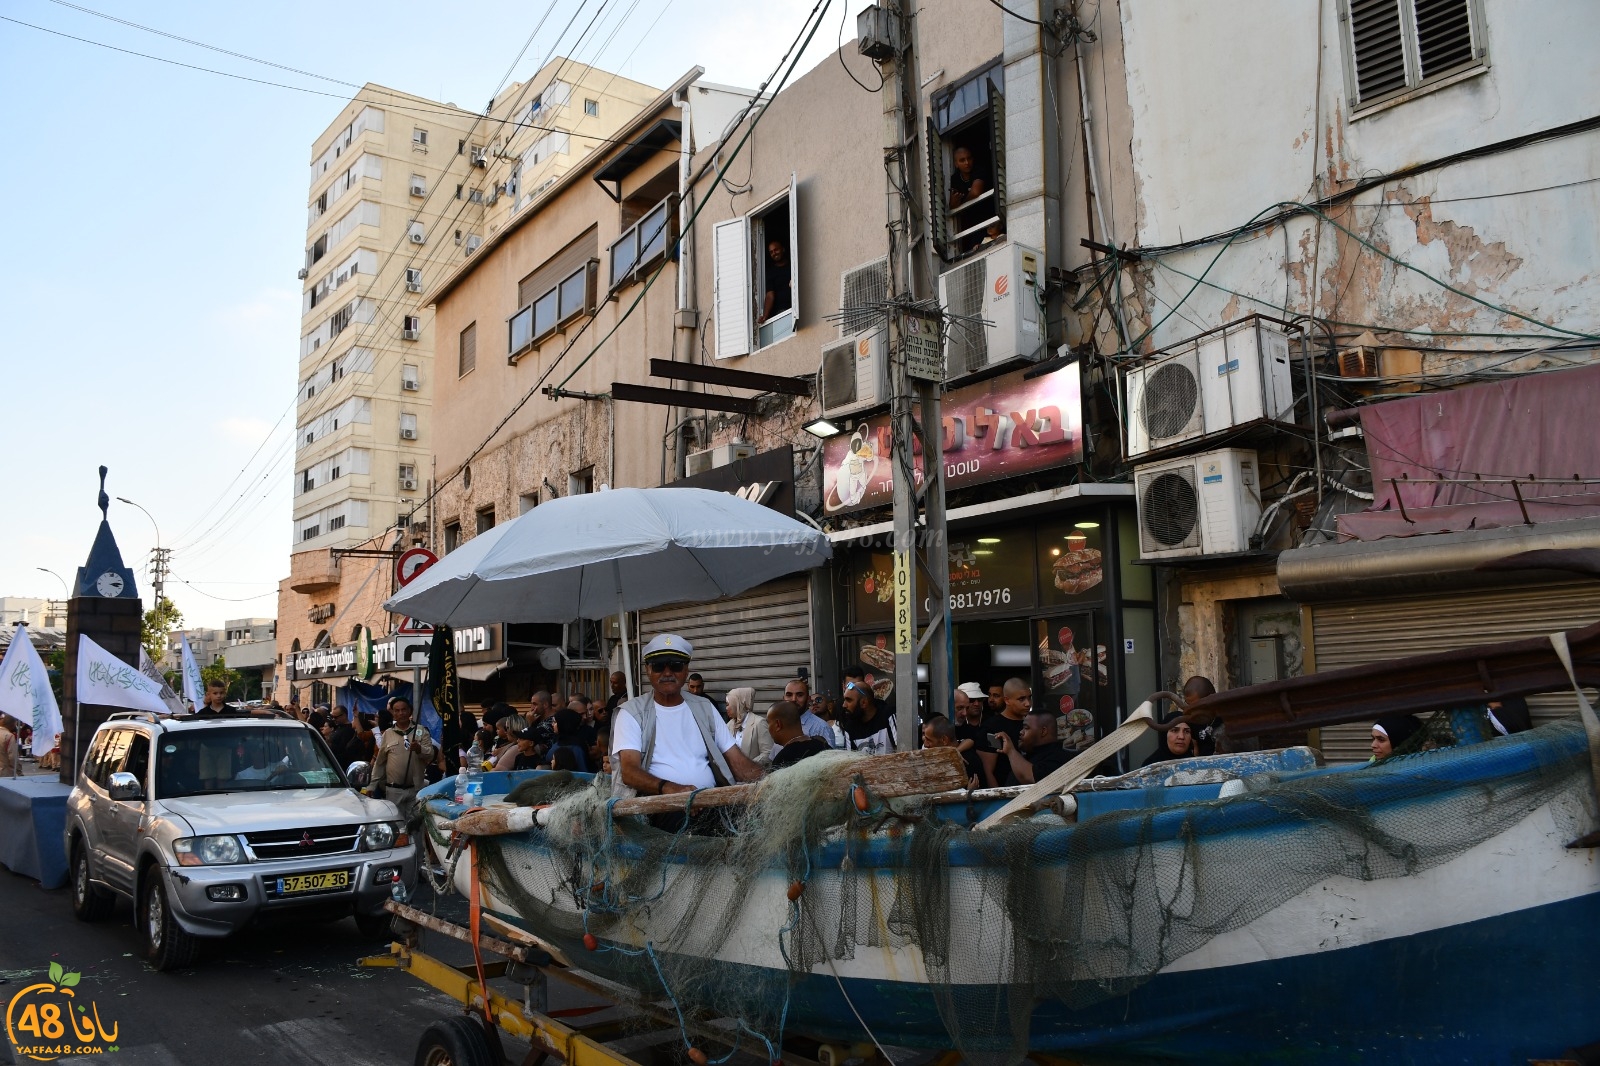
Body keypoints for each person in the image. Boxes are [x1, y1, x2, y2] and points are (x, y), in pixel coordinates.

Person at [610, 633, 762, 800]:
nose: (667, 673)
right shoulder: (631, 713)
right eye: (659, 666)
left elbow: (737, 763)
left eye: (676, 666)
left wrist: (772, 782)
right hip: (656, 806)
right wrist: (670, 789)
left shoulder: (704, 707)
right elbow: (630, 772)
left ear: (686, 669)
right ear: (648, 670)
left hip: (707, 802)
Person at [368, 698, 435, 815]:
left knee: (416, 826)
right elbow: (380, 763)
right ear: (393, 713)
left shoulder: (420, 731)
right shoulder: (388, 734)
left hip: (416, 789)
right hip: (393, 791)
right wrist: (371, 786)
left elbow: (431, 754)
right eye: (397, 710)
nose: (401, 713)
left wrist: (420, 749)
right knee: (397, 826)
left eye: (404, 710)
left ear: (410, 711)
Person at [995, 710, 1069, 785]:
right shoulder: (1029, 756)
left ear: (1043, 731)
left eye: (1026, 728)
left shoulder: (1058, 758)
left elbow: (1030, 778)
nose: (1021, 732)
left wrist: (1011, 751)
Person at [983, 678, 1032, 786]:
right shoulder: (992, 726)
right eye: (1021, 699)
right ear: (1007, 700)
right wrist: (997, 798)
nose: (1027, 703)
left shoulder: (1032, 723)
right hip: (1006, 791)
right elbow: (988, 771)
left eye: (1029, 697)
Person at [951, 682, 994, 787]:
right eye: (972, 700)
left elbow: (971, 739)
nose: (976, 704)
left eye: (979, 700)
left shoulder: (990, 723)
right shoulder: (946, 725)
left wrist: (955, 752)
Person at [841, 678, 897, 755]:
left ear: (864, 702)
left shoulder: (889, 715)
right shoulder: (850, 728)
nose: (844, 705)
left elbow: (904, 751)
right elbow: (850, 762)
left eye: (849, 700)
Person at [768, 701, 830, 769]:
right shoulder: (823, 746)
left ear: (778, 724)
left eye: (768, 723)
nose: (768, 728)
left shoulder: (782, 761)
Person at [921, 716, 978, 789]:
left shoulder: (966, 761)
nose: (925, 744)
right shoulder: (932, 757)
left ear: (944, 740)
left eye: (929, 740)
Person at [1180, 676, 1229, 755]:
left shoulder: (1227, 717)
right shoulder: (1191, 720)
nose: (1192, 710)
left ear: (1210, 699)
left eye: (1197, 705)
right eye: (1188, 704)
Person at [728, 687, 773, 767]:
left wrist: (748, 766)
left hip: (754, 776)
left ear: (737, 703)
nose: (726, 708)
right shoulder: (729, 725)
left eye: (728, 704)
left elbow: (768, 753)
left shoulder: (759, 723)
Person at [784, 678, 835, 747]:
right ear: (784, 698)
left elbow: (830, 756)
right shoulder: (780, 725)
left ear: (808, 699)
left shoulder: (821, 727)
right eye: (789, 695)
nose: (793, 699)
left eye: (799, 695)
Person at [757, 239, 791, 325]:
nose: (774, 253)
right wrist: (765, 316)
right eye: (771, 252)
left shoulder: (793, 266)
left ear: (783, 249)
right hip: (781, 312)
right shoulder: (771, 273)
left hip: (795, 308)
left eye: (776, 250)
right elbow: (770, 296)